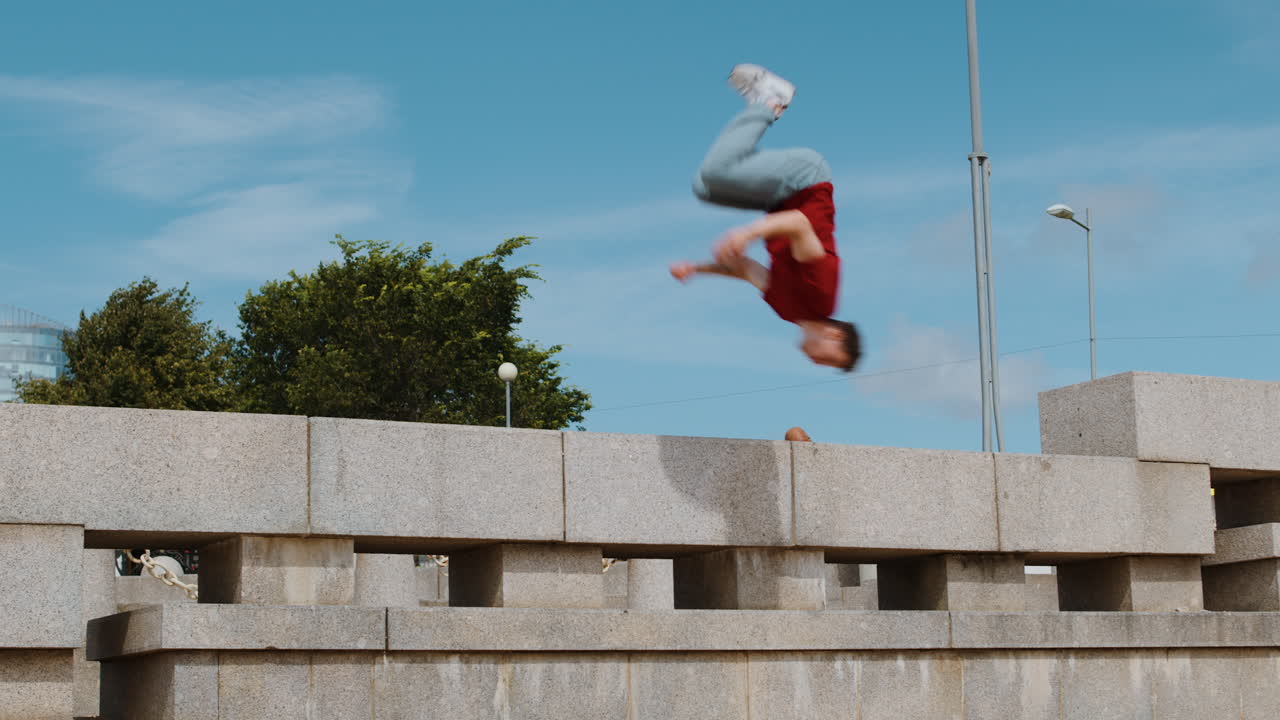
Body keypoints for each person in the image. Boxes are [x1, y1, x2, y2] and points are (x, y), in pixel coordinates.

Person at [671, 64, 861, 371]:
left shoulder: (788, 311)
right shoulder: (821, 296)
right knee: (717, 172)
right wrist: (748, 234)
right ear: (834, 334)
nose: (818, 361)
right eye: (829, 358)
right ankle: (770, 101)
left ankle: (763, 104)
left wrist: (696, 269)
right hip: (806, 181)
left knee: (704, 187)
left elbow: (745, 270)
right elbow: (799, 224)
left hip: (778, 198)